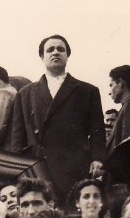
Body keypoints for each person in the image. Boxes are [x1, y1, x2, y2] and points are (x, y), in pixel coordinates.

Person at [10, 34, 106, 206]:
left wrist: (97, 159)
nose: (55, 52)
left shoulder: (87, 91)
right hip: (38, 168)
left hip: (75, 166)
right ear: (42, 56)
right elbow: (17, 137)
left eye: (61, 49)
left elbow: (97, 131)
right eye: (50, 50)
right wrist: (18, 168)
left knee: (73, 214)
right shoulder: (25, 94)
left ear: (67, 55)